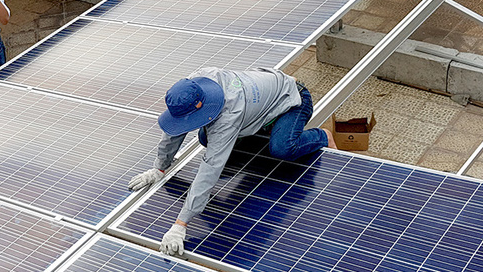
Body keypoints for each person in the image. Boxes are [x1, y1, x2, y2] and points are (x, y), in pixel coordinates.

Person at [127, 66, 335, 256]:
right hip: (257, 107)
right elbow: (175, 129)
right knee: (205, 137)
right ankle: (264, 134)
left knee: (282, 148)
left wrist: (181, 223)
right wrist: (159, 168)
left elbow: (211, 167)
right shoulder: (191, 88)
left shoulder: (229, 112)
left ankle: (322, 136)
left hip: (292, 99)